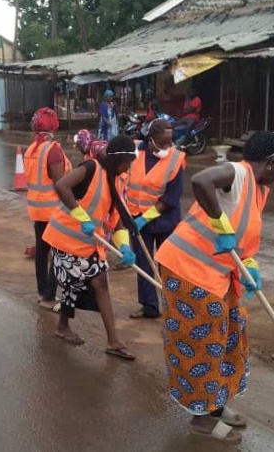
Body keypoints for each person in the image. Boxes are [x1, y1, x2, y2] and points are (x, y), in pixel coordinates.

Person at [154, 131, 274, 443]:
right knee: (203, 340)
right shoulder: (239, 173)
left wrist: (250, 267)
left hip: (218, 273)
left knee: (229, 335)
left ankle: (215, 405)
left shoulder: (260, 189)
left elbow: (244, 237)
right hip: (188, 269)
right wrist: (220, 226)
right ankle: (202, 418)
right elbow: (201, 180)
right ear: (270, 162)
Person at [42, 134, 139, 359]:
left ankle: (112, 341)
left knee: (99, 285)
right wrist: (81, 216)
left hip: (90, 244)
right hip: (66, 239)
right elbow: (62, 185)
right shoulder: (92, 167)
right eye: (128, 161)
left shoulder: (117, 180)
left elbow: (117, 221)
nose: (130, 166)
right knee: (72, 289)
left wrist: (124, 247)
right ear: (119, 159)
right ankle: (62, 325)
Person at [125, 119, 185, 318]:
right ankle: (149, 307)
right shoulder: (134, 151)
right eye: (162, 143)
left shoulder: (176, 159)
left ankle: (173, 311)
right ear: (151, 139)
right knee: (144, 263)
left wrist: (146, 217)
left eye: (169, 142)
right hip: (137, 218)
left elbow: (170, 199)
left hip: (165, 221)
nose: (166, 147)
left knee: (168, 267)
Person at [24, 107, 72, 310]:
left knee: (43, 252)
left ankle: (41, 291)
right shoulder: (52, 150)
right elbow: (60, 183)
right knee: (59, 254)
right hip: (53, 210)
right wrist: (73, 207)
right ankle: (49, 297)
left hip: (37, 209)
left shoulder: (32, 149)